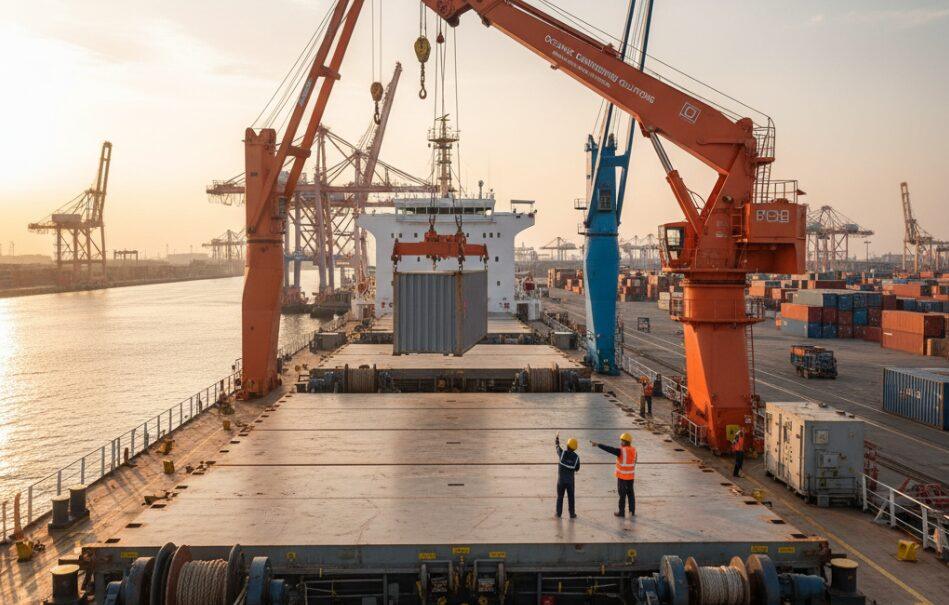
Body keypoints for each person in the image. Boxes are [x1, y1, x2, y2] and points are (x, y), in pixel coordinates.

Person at [590, 432, 637, 517]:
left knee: (622, 495)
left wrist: (598, 445)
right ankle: (632, 511)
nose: (621, 442)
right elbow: (634, 462)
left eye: (622, 441)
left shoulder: (621, 451)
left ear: (625, 442)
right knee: (631, 494)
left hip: (622, 477)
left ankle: (621, 512)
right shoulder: (634, 450)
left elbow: (609, 449)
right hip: (630, 477)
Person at [555, 432, 580, 519]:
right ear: (575, 448)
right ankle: (572, 514)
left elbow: (557, 448)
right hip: (570, 482)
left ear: (567, 445)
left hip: (561, 481)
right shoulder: (576, 457)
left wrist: (557, 440)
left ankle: (558, 514)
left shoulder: (562, 454)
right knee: (571, 498)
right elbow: (577, 468)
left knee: (560, 497)